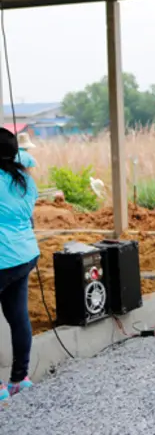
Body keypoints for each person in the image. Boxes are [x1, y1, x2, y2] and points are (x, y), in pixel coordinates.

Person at [0, 128, 39, 401]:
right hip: (25, 255)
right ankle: (19, 379)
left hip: (2, 258)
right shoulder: (25, 179)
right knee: (18, 317)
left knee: (18, 316)